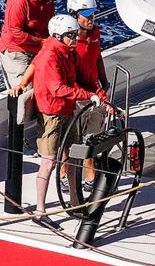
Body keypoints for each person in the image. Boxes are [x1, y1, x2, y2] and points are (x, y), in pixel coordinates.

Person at [31, 14, 107, 227]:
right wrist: (87, 95)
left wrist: (98, 93)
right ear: (58, 35)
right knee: (48, 162)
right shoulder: (50, 57)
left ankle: (74, 202)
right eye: (71, 35)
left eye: (75, 34)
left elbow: (76, 79)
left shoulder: (67, 53)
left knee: (72, 157)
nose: (75, 39)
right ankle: (40, 211)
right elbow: (57, 88)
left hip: (66, 111)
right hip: (52, 115)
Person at [58, 0, 109, 194]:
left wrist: (103, 81)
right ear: (74, 15)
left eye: (93, 14)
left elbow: (97, 58)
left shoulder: (95, 33)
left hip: (94, 93)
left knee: (91, 137)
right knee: (71, 140)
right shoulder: (69, 40)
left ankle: (90, 174)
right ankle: (63, 173)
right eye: (86, 15)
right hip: (77, 96)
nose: (91, 19)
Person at [0, 0, 59, 88]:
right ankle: (16, 107)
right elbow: (15, 33)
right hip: (18, 51)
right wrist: (42, 42)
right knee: (24, 92)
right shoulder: (19, 0)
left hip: (39, 48)